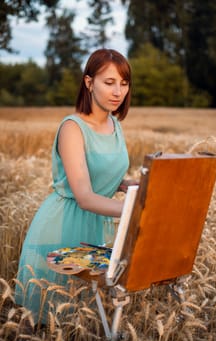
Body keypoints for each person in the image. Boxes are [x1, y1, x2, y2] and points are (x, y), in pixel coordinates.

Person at [15, 48, 136, 325]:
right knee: (53, 320)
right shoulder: (72, 128)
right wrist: (137, 210)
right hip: (64, 225)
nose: (118, 91)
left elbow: (103, 176)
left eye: (124, 83)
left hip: (96, 227)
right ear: (89, 82)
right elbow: (84, 195)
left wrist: (130, 185)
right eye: (109, 82)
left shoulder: (115, 126)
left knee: (84, 320)